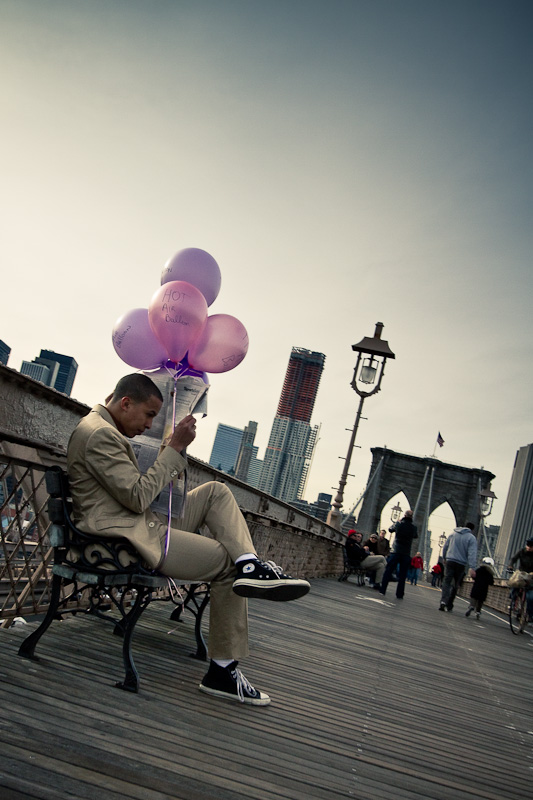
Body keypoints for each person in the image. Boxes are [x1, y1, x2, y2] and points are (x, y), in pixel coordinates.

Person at [67, 373, 310, 706]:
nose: (150, 424)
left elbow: (133, 494)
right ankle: (222, 673)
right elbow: (138, 497)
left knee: (215, 492)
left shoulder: (100, 427)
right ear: (125, 403)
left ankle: (250, 564)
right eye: (150, 414)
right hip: (121, 541)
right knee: (227, 565)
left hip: (133, 526)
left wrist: (168, 453)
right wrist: (175, 449)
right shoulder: (101, 435)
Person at [379, 509, 418, 600]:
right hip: (406, 553)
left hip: (396, 551)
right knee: (403, 575)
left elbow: (390, 529)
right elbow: (415, 536)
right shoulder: (413, 527)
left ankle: (383, 590)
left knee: (388, 571)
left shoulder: (399, 524)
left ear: (404, 515)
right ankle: (399, 594)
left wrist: (397, 522)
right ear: (411, 517)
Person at [439, 523, 477, 612]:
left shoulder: (453, 534)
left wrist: (444, 558)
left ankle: (443, 601)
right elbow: (472, 553)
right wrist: (472, 567)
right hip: (461, 564)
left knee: (447, 582)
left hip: (450, 561)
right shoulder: (471, 538)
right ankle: (449, 603)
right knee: (455, 584)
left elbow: (445, 547)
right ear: (472, 530)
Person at [508, 537, 533, 620]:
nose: (529, 547)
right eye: (528, 545)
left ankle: (530, 615)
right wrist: (510, 566)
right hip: (521, 573)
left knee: (530, 597)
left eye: (531, 546)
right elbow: (513, 559)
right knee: (514, 585)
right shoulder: (522, 551)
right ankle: (513, 601)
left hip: (531, 576)